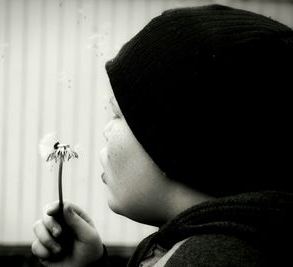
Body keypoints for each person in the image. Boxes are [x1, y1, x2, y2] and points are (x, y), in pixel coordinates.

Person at [32, 4, 293, 266]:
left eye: (118, 115)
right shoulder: (207, 247)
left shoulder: (206, 259)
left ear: (180, 144)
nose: (106, 130)